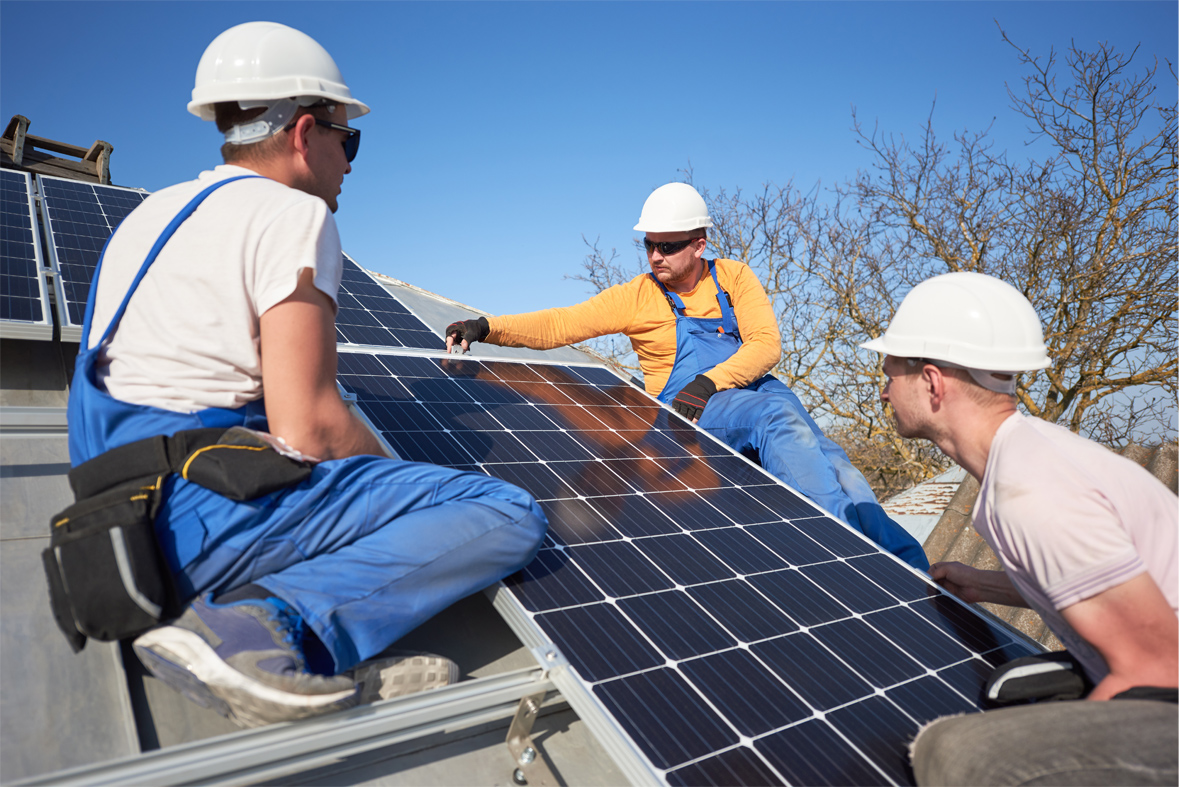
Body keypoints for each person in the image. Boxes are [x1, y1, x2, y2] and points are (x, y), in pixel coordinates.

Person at [67, 22, 547, 728]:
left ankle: (290, 640)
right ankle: (253, 626)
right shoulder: (291, 213)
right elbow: (312, 427)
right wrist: (401, 495)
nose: (350, 162)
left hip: (111, 537)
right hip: (196, 525)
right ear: (302, 131)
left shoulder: (147, 215)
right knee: (507, 512)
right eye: (346, 139)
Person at [445, 182, 927, 570]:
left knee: (841, 468)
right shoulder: (638, 296)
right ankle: (842, 551)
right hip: (686, 411)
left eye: (668, 246)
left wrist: (712, 379)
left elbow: (766, 345)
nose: (656, 256)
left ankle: (918, 577)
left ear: (699, 244)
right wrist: (487, 326)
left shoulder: (734, 277)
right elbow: (561, 323)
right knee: (777, 421)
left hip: (749, 392)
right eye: (649, 245)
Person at [860, 271, 1177, 785]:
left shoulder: (1032, 489)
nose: (883, 392)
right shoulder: (1030, 454)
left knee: (955, 750)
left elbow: (1156, 670)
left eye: (890, 371)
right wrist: (983, 584)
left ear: (933, 382)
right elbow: (1110, 587)